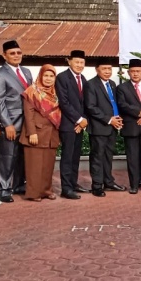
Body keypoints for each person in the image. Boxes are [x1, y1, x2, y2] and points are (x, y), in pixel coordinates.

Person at [0, 40, 32, 202]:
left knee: (22, 156)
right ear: (4, 55)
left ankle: (19, 184)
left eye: (19, 53)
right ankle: (4, 189)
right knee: (7, 156)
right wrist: (7, 124)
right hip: (11, 122)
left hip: (26, 121)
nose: (16, 56)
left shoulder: (27, 72)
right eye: (12, 53)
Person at [84, 57, 126, 197]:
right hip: (99, 127)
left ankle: (108, 181)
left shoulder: (112, 84)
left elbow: (114, 104)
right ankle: (97, 186)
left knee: (108, 156)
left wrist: (118, 118)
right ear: (97, 70)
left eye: (109, 69)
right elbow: (91, 107)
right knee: (97, 157)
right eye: (104, 69)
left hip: (112, 127)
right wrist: (109, 120)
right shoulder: (91, 84)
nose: (107, 71)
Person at [20, 65, 61, 201]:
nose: (48, 79)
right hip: (36, 133)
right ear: (40, 76)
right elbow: (28, 115)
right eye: (46, 76)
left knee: (48, 165)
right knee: (34, 166)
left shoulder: (56, 93)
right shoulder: (31, 91)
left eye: (51, 76)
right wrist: (32, 133)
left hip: (51, 134)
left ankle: (46, 191)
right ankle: (33, 193)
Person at [116, 59, 141, 194]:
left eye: (138, 71)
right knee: (132, 158)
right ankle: (133, 185)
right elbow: (122, 105)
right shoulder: (122, 88)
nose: (135, 74)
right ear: (128, 72)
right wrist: (139, 113)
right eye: (132, 71)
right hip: (131, 128)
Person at [55, 50, 89, 200]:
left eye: (82, 62)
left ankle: (73, 183)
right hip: (68, 124)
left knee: (76, 157)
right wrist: (79, 119)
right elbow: (63, 102)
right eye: (77, 62)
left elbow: (86, 103)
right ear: (69, 61)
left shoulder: (84, 79)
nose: (79, 65)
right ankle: (66, 188)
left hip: (79, 125)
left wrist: (83, 121)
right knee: (67, 157)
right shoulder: (62, 78)